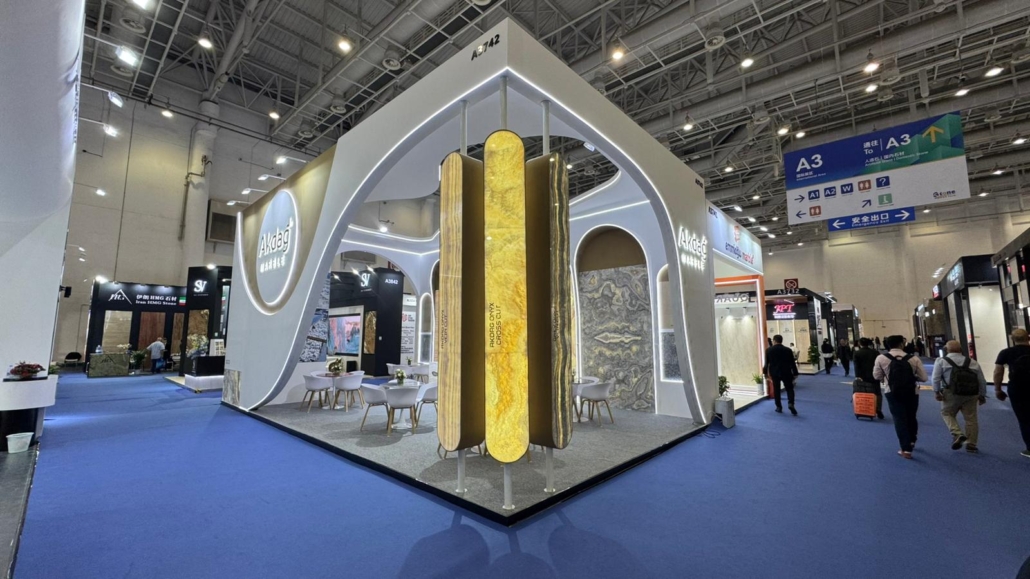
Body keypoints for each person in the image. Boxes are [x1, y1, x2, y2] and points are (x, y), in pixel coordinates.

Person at [874, 335, 928, 459]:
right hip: (912, 391)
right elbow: (924, 378)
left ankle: (906, 449)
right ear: (902, 344)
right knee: (911, 416)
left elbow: (876, 376)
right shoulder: (913, 358)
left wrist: (887, 378)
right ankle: (912, 440)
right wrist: (912, 377)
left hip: (892, 392)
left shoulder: (881, 358)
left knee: (899, 418)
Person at [932, 340, 987, 453]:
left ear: (946, 350)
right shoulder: (972, 362)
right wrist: (982, 395)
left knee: (947, 413)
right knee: (971, 418)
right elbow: (982, 380)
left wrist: (937, 392)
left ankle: (957, 433)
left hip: (951, 393)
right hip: (971, 394)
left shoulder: (941, 361)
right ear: (961, 349)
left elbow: (935, 378)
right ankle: (971, 444)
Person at [993, 328, 1030, 459]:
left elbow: (998, 372)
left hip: (1017, 388)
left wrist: (998, 389)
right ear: (1028, 337)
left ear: (1013, 339)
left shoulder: (1006, 353)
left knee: (1024, 418)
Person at [763, 334, 799, 415]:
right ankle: (791, 403)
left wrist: (765, 373)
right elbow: (792, 363)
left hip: (774, 373)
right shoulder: (788, 350)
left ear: (774, 341)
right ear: (781, 341)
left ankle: (778, 407)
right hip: (786, 372)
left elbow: (766, 364)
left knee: (776, 389)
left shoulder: (769, 350)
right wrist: (795, 373)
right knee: (789, 388)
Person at [853, 338, 884, 419]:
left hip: (863, 376)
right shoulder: (875, 352)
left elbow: (856, 366)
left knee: (864, 392)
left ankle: (866, 409)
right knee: (877, 392)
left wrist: (857, 376)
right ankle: (878, 409)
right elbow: (879, 365)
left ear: (859, 344)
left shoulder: (857, 353)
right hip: (874, 375)